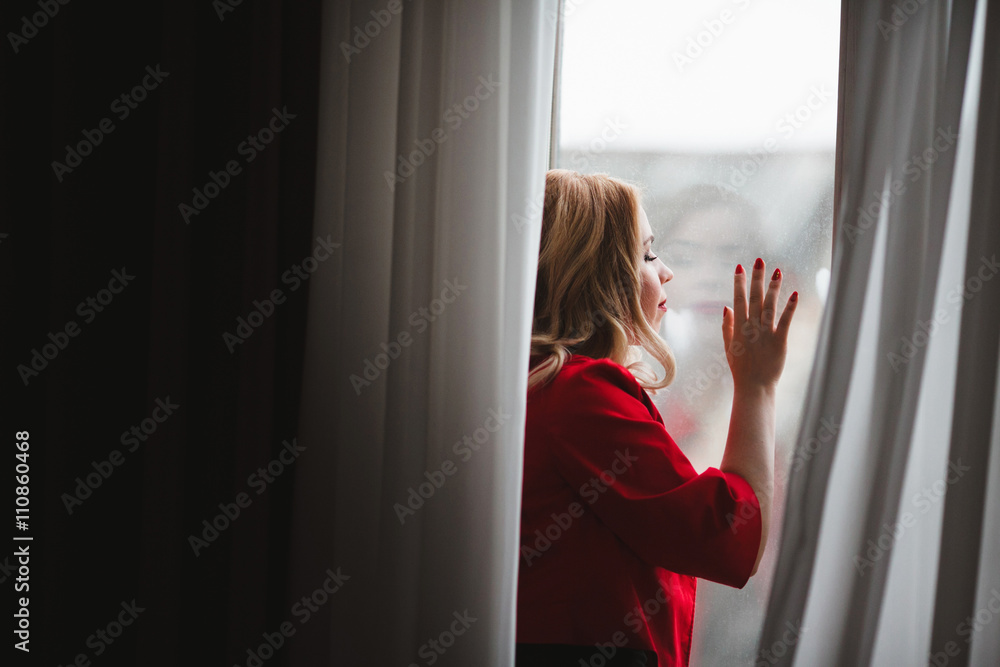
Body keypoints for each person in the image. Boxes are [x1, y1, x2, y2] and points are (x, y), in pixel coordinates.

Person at [515, 169, 798, 667]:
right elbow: (729, 542)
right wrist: (756, 385)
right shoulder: (582, 394)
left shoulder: (539, 383)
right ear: (598, 276)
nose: (666, 272)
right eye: (648, 254)